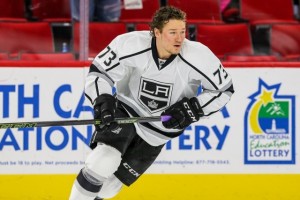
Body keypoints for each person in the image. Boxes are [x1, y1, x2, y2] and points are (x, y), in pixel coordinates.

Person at [68, 6, 234, 200]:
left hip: (160, 131)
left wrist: (193, 109)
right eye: (173, 32)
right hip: (127, 112)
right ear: (157, 32)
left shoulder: (198, 56)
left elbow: (224, 90)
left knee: (110, 188)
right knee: (104, 159)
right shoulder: (131, 44)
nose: (180, 38)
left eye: (182, 32)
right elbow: (99, 73)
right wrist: (102, 100)